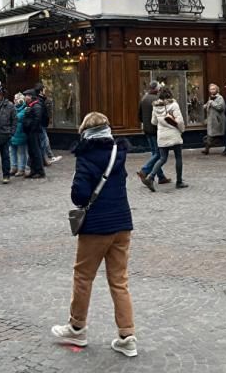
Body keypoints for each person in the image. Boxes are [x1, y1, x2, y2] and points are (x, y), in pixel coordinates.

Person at [50, 112, 137, 358]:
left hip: (96, 226)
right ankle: (127, 334)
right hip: (122, 223)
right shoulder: (117, 153)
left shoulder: (86, 156)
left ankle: (77, 327)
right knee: (119, 280)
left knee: (83, 276)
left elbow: (79, 194)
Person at [144, 87, 187, 191]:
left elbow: (153, 122)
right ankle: (179, 182)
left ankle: (150, 177)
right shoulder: (174, 105)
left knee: (162, 158)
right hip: (174, 134)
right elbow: (179, 121)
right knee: (178, 157)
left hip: (162, 135)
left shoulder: (155, 106)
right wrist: (182, 130)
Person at [136, 81, 169, 186]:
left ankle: (161, 177)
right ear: (156, 88)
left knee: (155, 153)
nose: (159, 89)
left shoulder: (144, 98)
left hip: (147, 130)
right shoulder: (157, 100)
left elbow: (139, 116)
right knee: (158, 154)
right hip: (155, 130)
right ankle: (144, 171)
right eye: (159, 87)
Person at [22, 89, 47, 179]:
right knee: (31, 152)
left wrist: (32, 129)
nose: (25, 97)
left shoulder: (36, 106)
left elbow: (37, 119)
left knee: (36, 152)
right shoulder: (30, 105)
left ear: (31, 96)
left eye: (26, 95)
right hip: (30, 132)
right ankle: (33, 170)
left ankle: (40, 171)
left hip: (34, 133)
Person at [203, 83, 226, 154]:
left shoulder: (220, 98)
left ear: (217, 89)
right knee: (210, 135)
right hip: (211, 120)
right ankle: (207, 149)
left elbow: (221, 107)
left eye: (213, 89)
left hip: (217, 120)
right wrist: (206, 105)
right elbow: (209, 105)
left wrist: (212, 103)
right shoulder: (211, 97)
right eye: (211, 89)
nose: (212, 90)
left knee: (214, 136)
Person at [10, 92, 28, 176]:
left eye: (16, 99)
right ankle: (14, 167)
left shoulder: (25, 109)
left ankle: (22, 168)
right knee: (12, 151)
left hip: (21, 134)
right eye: (14, 99)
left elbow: (17, 118)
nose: (14, 100)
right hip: (12, 133)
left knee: (21, 152)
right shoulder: (13, 108)